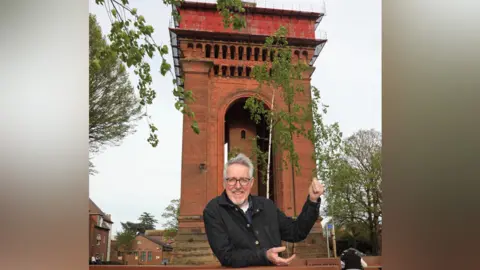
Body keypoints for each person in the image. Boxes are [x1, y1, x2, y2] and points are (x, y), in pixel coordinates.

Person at [203, 153, 325, 268]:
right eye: (232, 180)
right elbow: (226, 255)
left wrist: (312, 201)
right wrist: (265, 256)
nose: (238, 186)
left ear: (251, 183)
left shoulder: (266, 206)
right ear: (224, 183)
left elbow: (296, 232)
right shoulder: (214, 211)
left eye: (244, 180)